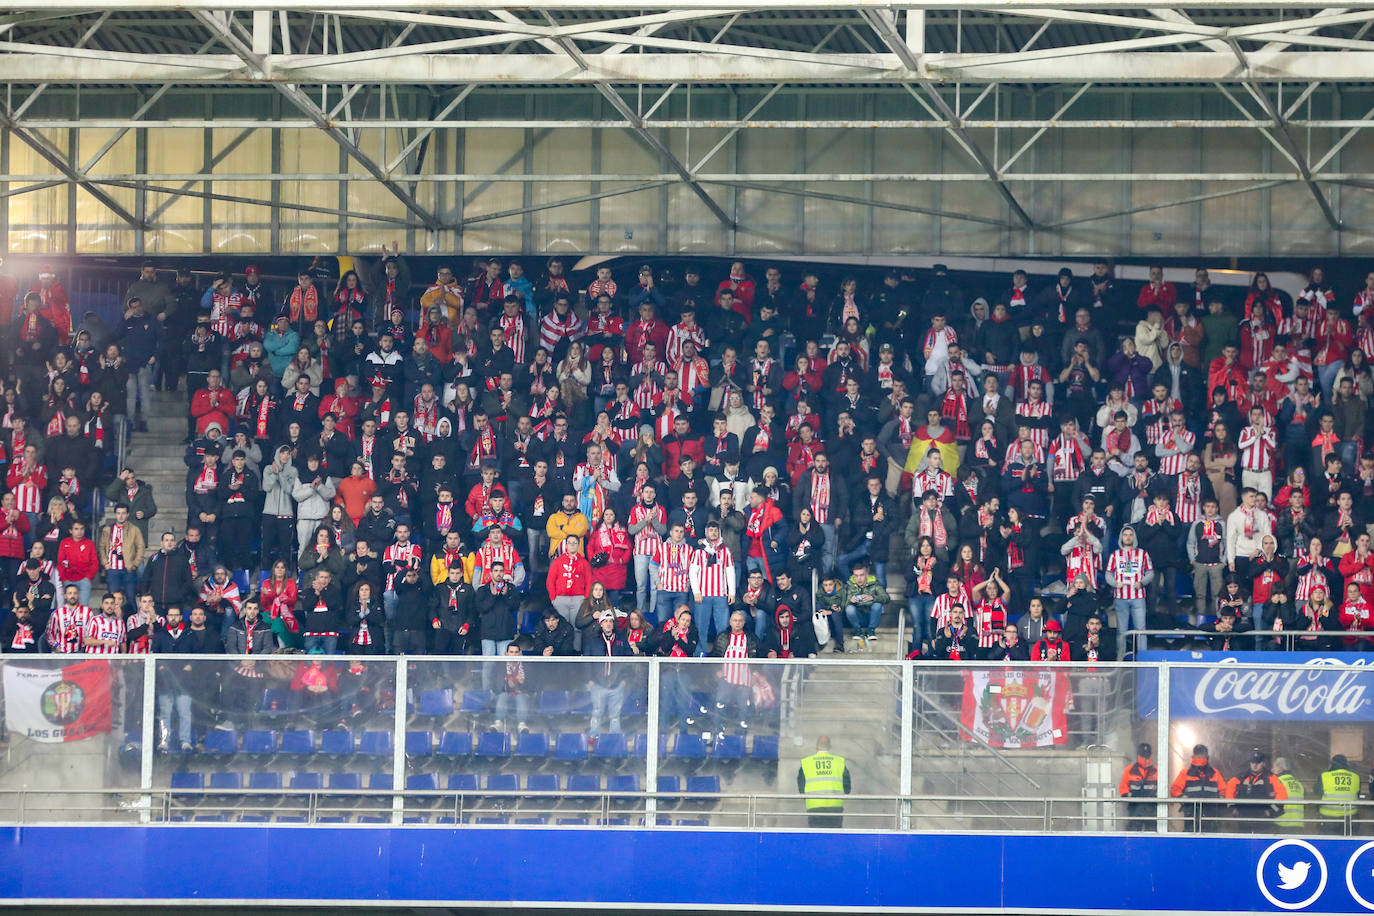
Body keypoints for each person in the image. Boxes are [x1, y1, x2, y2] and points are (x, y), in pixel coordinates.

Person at [1170, 743, 1229, 833]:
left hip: (1211, 813)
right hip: (1192, 814)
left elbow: (1224, 791)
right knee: (1192, 838)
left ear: (1206, 756)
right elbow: (1175, 789)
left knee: (1210, 838)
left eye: (1202, 754)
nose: (1199, 757)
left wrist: (1219, 803)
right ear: (1193, 755)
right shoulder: (1185, 773)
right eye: (1198, 754)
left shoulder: (1215, 773)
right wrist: (1184, 800)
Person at [797, 735, 851, 828]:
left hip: (814, 809)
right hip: (835, 809)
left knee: (817, 839)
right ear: (830, 747)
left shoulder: (807, 763)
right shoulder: (839, 762)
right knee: (834, 839)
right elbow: (847, 788)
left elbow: (801, 787)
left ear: (816, 746)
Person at [1227, 749, 1287, 833]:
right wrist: (1232, 808)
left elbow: (1282, 795)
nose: (1255, 765)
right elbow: (1229, 788)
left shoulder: (1271, 777)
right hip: (1243, 819)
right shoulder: (1241, 776)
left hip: (1263, 820)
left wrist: (1270, 812)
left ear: (1263, 763)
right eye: (1252, 762)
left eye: (1258, 762)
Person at [1314, 753, 1360, 835]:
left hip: (1328, 818)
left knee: (1327, 844)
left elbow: (1316, 791)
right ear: (1346, 764)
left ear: (1332, 764)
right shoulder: (1355, 777)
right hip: (1350, 818)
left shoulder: (1324, 776)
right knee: (1348, 844)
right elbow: (1358, 794)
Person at [1117, 742, 1159, 831]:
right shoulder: (1129, 770)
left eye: (1147, 756)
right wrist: (1130, 796)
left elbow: (1163, 788)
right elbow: (1123, 788)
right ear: (1138, 755)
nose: (1146, 758)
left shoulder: (1157, 771)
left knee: (1152, 832)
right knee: (1133, 831)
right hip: (1135, 808)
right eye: (1143, 756)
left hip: (1151, 808)